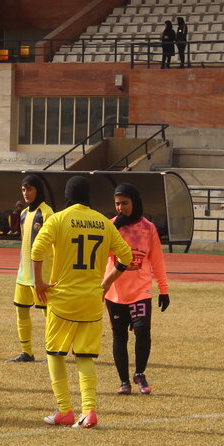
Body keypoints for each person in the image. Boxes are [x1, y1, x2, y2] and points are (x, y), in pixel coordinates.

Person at [30, 176, 132, 429]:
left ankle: (64, 410)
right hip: (91, 300)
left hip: (63, 299)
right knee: (85, 357)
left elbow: (36, 250)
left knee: (55, 354)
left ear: (67, 195)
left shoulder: (58, 219)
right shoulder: (103, 222)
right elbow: (126, 256)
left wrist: (39, 283)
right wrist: (107, 282)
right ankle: (89, 411)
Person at [105, 184, 170, 396]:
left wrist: (164, 289)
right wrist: (113, 229)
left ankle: (140, 373)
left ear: (135, 202)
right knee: (119, 336)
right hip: (115, 292)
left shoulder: (148, 228)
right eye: (117, 204)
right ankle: (124, 381)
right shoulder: (110, 226)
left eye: (125, 203)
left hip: (141, 291)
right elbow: (99, 254)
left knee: (142, 331)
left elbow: (157, 260)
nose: (120, 208)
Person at [8, 174, 54, 363]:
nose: (26, 193)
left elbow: (53, 244)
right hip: (23, 273)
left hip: (41, 274)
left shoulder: (47, 213)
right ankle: (27, 352)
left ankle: (52, 352)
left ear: (38, 190)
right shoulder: (24, 213)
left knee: (47, 313)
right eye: (24, 189)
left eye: (30, 189)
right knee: (21, 310)